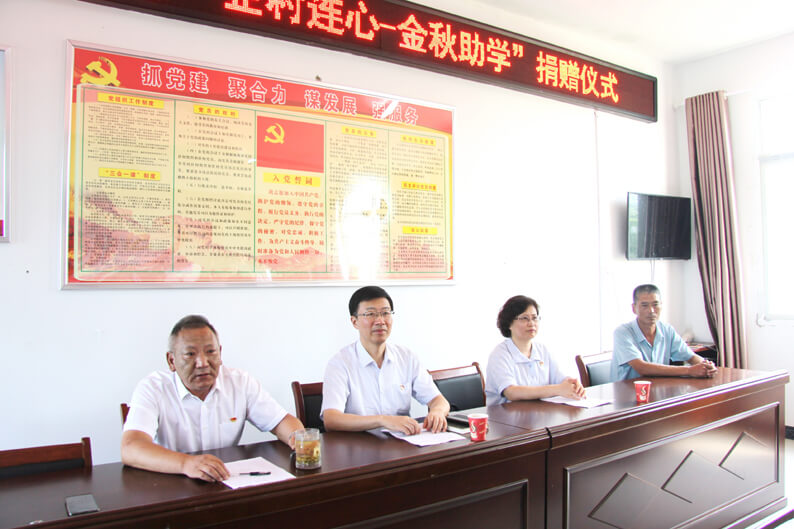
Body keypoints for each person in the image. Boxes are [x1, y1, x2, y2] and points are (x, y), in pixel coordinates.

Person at [121, 315, 303, 482]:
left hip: (225, 481)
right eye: (190, 354)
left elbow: (281, 421)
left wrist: (297, 437)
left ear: (220, 353)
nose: (202, 363)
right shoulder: (153, 388)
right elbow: (130, 447)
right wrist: (185, 463)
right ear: (171, 361)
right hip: (171, 482)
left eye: (210, 352)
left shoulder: (240, 382)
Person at [321, 286, 450, 435]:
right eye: (370, 314)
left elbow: (438, 400)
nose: (380, 321)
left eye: (385, 313)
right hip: (359, 444)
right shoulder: (340, 363)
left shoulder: (406, 357)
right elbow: (331, 419)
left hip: (402, 443)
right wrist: (382, 420)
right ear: (354, 322)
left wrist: (437, 412)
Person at [485, 295, 585, 405]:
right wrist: (557, 389)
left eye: (534, 318)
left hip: (539, 412)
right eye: (524, 318)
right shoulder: (499, 354)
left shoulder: (542, 350)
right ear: (509, 323)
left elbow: (560, 378)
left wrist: (572, 384)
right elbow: (511, 392)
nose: (531, 323)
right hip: (505, 414)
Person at [611, 284, 718, 381]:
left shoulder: (666, 330)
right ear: (634, 308)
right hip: (627, 392)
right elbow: (642, 368)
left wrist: (706, 365)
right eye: (644, 305)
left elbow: (690, 356)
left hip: (657, 388)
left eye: (655, 304)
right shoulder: (623, 333)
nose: (651, 310)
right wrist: (689, 370)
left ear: (661, 305)